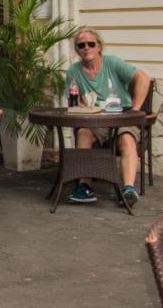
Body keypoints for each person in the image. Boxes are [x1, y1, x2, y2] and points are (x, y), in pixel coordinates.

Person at [64, 27, 151, 208]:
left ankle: (128, 190)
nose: (86, 48)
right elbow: (72, 101)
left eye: (91, 44)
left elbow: (143, 78)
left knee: (126, 138)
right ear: (77, 50)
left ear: (99, 46)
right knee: (83, 133)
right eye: (81, 45)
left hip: (121, 115)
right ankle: (85, 187)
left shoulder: (112, 63)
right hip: (95, 119)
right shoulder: (74, 71)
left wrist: (135, 110)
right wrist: (81, 107)